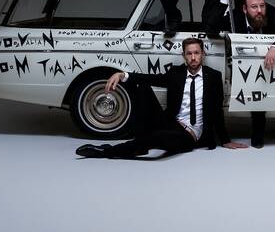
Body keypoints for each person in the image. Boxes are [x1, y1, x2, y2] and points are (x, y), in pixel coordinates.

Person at [75, 38, 247, 158]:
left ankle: (106, 152)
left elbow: (217, 110)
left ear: (203, 54)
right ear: (184, 56)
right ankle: (140, 143)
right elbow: (150, 79)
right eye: (189, 54)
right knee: (142, 87)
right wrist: (122, 75)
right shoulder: (176, 73)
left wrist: (225, 141)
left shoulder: (213, 77)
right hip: (170, 122)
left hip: (189, 135)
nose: (193, 58)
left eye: (196, 53)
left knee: (156, 139)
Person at [214, 0, 275, 148]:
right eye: (254, 7)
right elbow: (212, 24)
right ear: (244, 9)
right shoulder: (236, 16)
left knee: (260, 88)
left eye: (262, 5)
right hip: (237, 63)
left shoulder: (272, 14)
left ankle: (258, 134)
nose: (259, 11)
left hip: (263, 65)